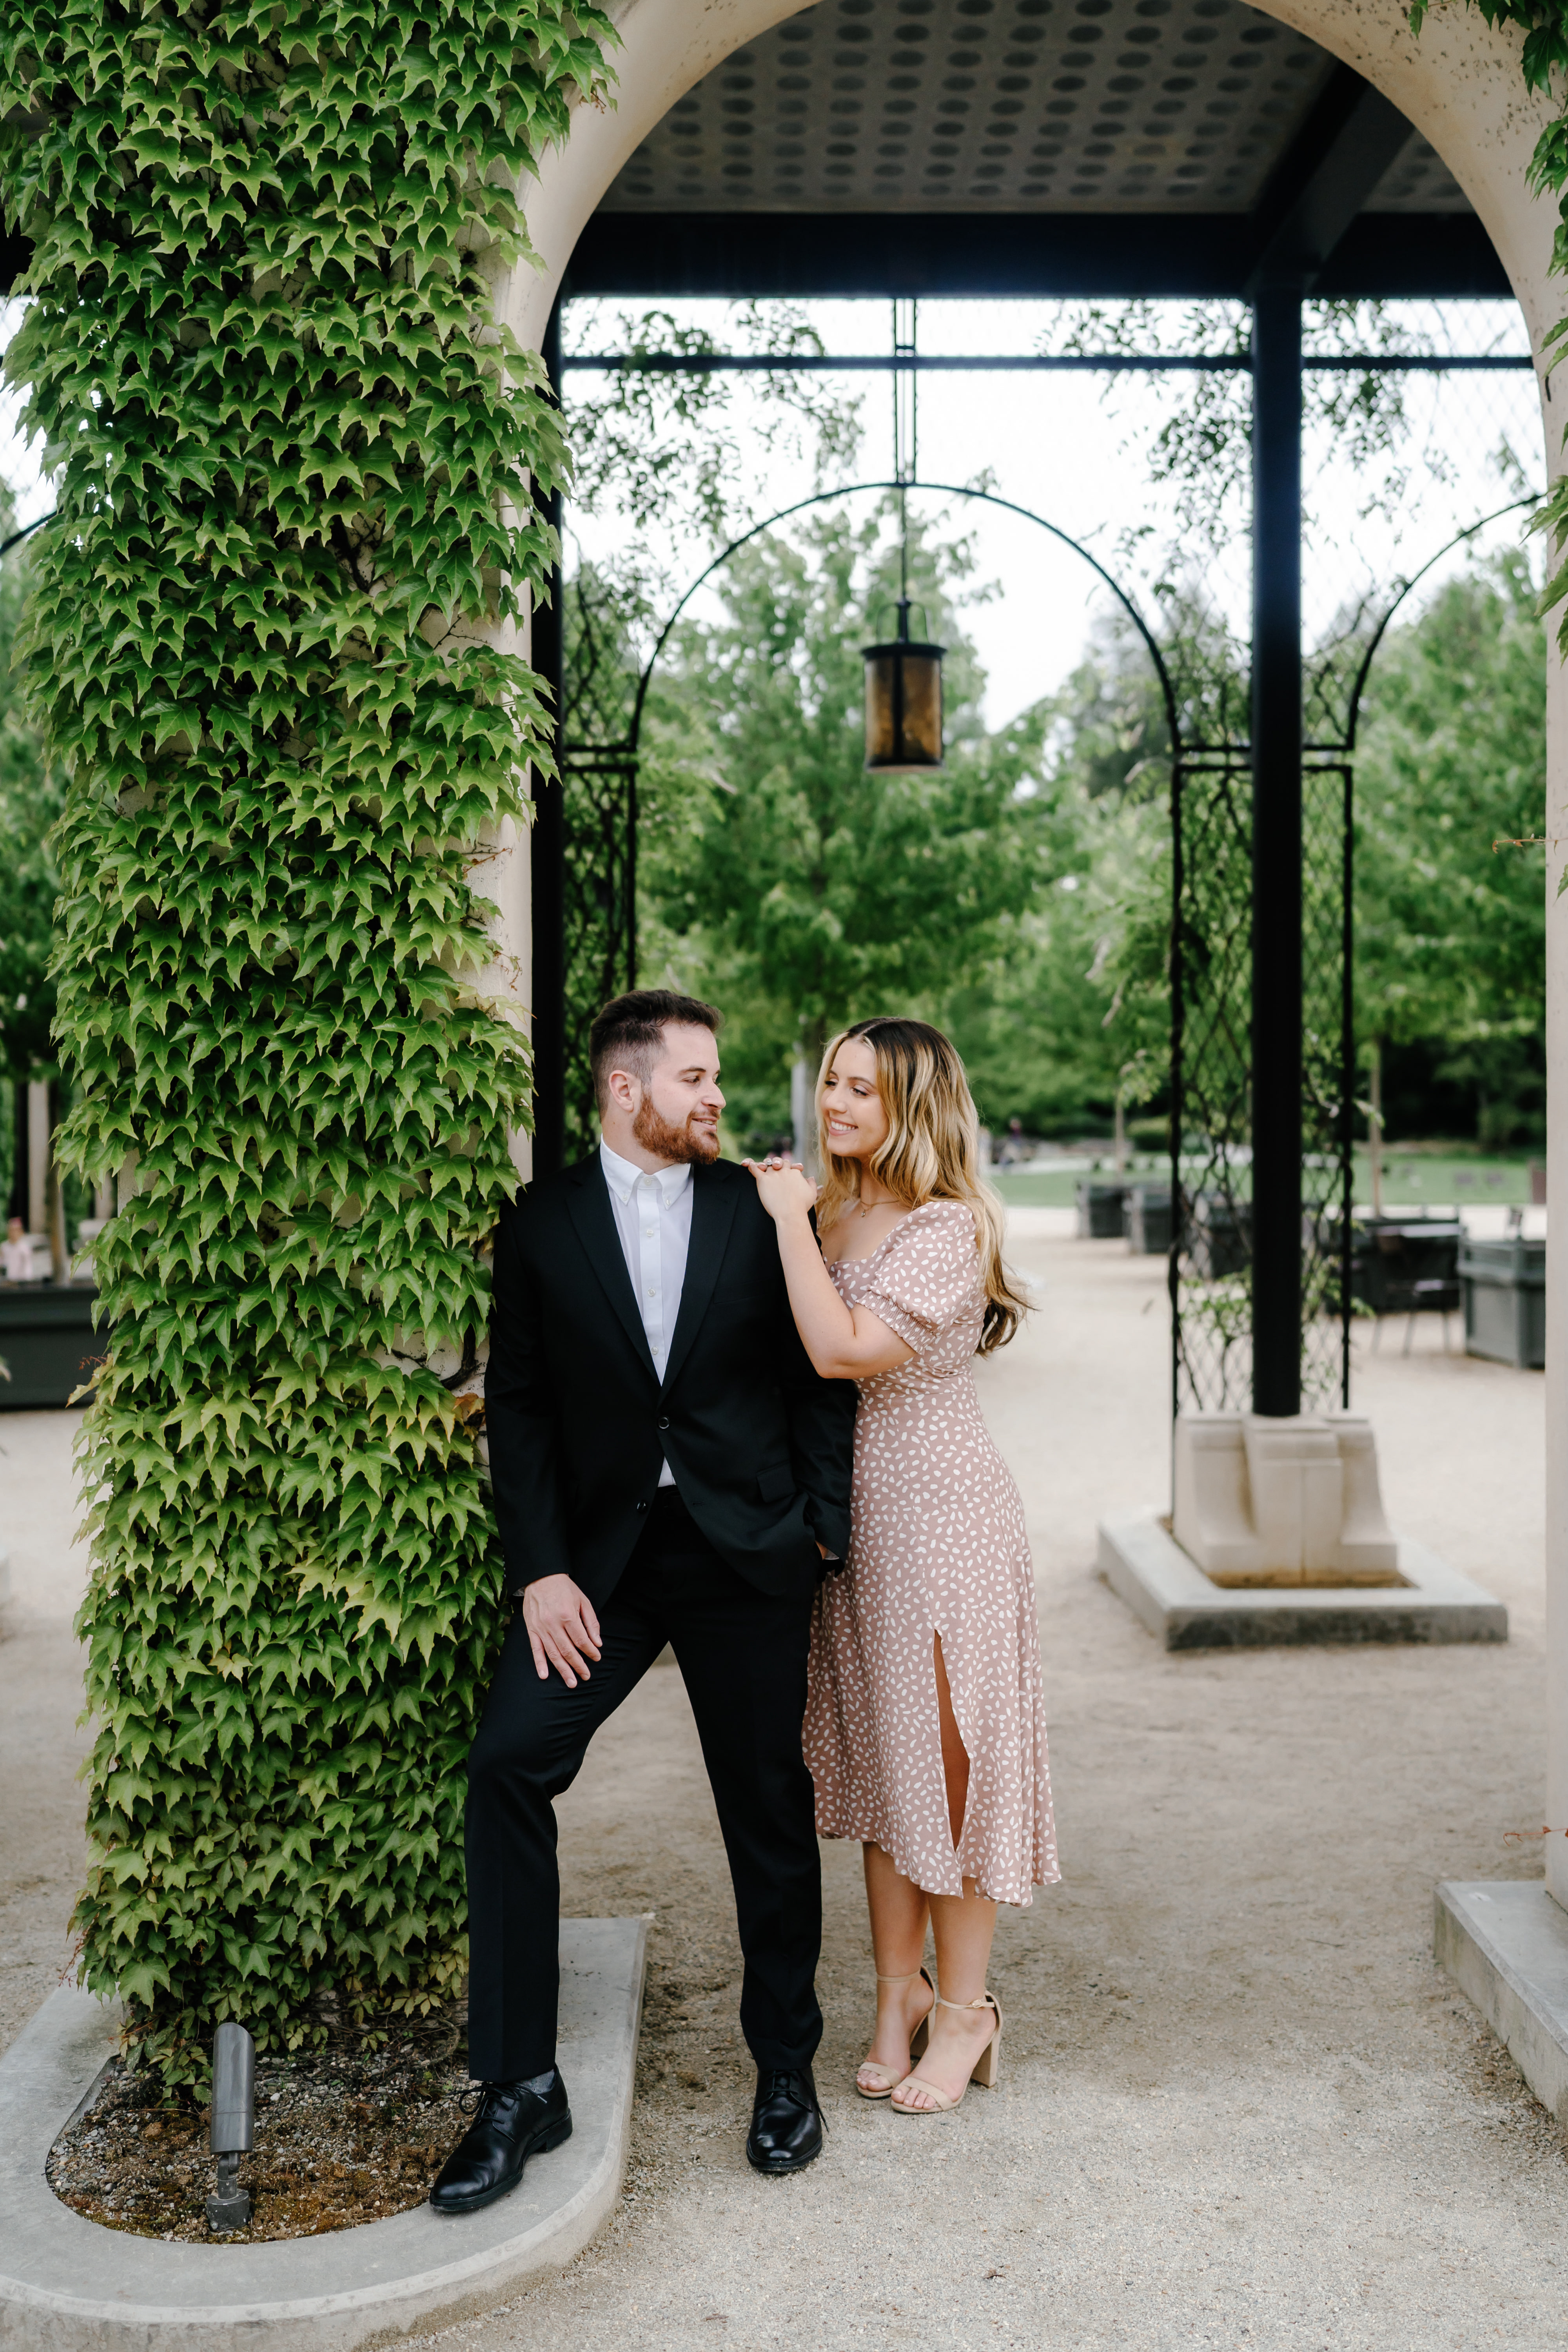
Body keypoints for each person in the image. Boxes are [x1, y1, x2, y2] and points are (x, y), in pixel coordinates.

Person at [430, 989, 857, 2215]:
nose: (717, 1098)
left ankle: (786, 2069)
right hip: (600, 1571)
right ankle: (517, 2087)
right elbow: (520, 1405)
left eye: (716, 1079)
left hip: (744, 1556)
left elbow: (820, 1379)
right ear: (629, 1090)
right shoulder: (541, 1223)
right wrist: (540, 1568)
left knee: (766, 1807)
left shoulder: (758, 1207)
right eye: (697, 1079)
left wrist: (819, 1523)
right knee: (509, 1765)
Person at [744, 1016, 1058, 2115]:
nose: (836, 1105)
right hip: (854, 1524)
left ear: (914, 1109)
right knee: (886, 1776)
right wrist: (796, 1215)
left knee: (950, 1772)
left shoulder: (942, 1226)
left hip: (945, 1517)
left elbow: (841, 1351)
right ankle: (897, 1998)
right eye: (831, 1082)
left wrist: (785, 1221)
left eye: (863, 1092)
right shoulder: (831, 1211)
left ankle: (968, 2012)